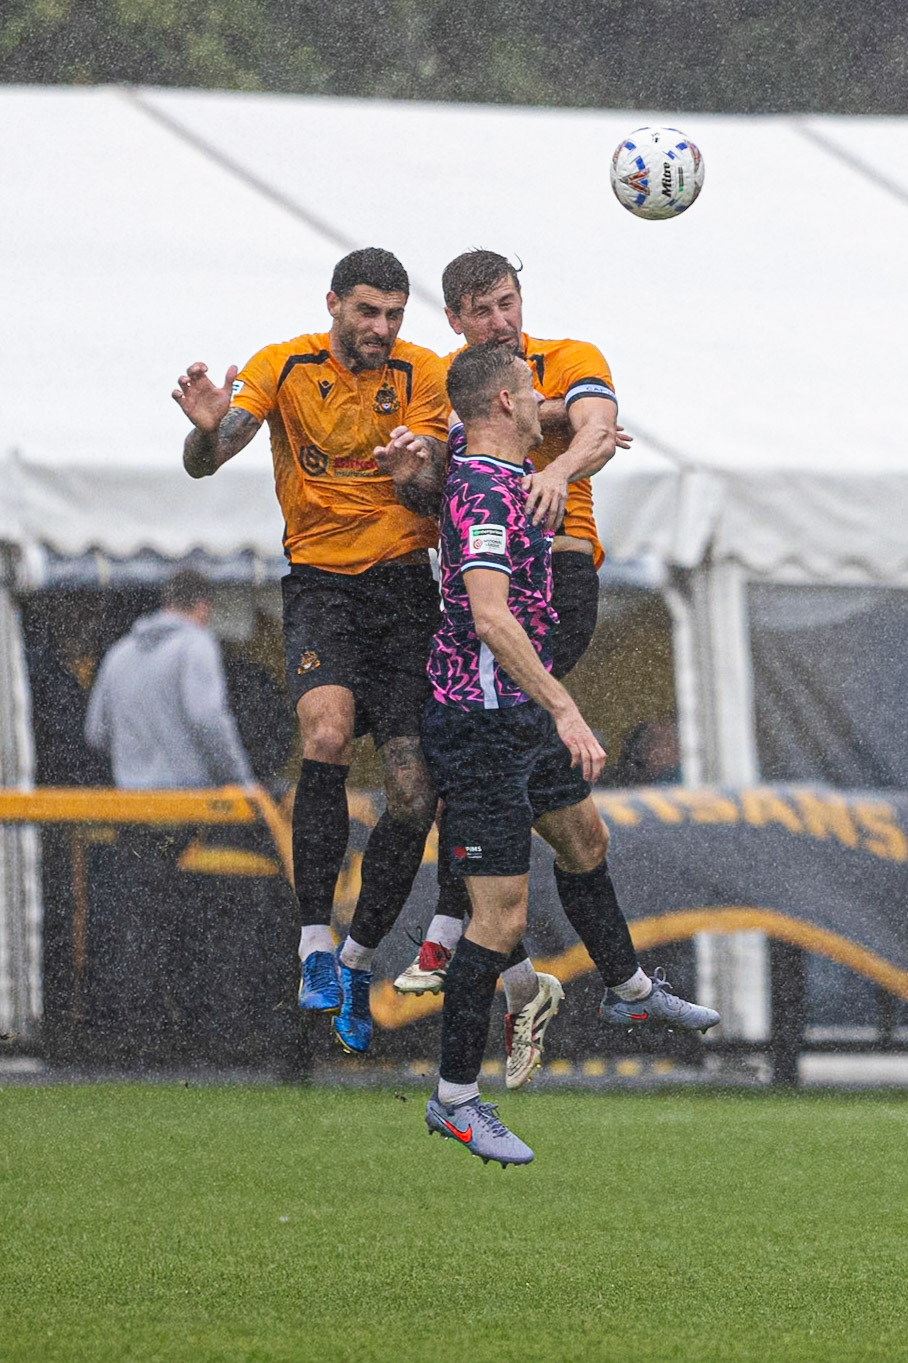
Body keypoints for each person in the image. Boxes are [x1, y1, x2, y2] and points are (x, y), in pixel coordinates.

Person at [419, 343, 719, 1165]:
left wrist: (580, 450)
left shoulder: (512, 480)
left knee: (588, 840)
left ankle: (627, 992)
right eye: (532, 391)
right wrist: (566, 704)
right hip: (482, 725)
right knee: (500, 916)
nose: (543, 399)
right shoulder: (481, 485)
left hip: (517, 715)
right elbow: (488, 615)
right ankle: (454, 1098)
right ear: (509, 403)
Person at [173, 248, 448, 1055]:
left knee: (410, 794)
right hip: (324, 589)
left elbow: (435, 494)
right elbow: (208, 458)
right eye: (367, 311)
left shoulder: (423, 374)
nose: (381, 329)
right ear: (333, 303)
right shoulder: (285, 366)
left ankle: (359, 956)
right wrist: (203, 432)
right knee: (324, 736)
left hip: (405, 593)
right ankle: (314, 943)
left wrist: (409, 478)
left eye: (394, 314)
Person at [390, 248, 629, 1087]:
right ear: (455, 321)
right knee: (492, 791)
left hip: (558, 582)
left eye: (508, 301)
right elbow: (453, 509)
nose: (504, 319)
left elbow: (599, 426)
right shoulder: (461, 409)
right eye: (484, 309)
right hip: (492, 634)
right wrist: (419, 474)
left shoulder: (566, 359)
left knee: (503, 778)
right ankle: (504, 993)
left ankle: (465, 939)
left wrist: (558, 467)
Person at [85, 569, 253, 788]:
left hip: (131, 804)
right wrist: (240, 779)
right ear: (203, 607)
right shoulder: (196, 645)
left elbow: (96, 733)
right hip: (188, 803)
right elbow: (207, 720)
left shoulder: (119, 652)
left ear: (167, 602)